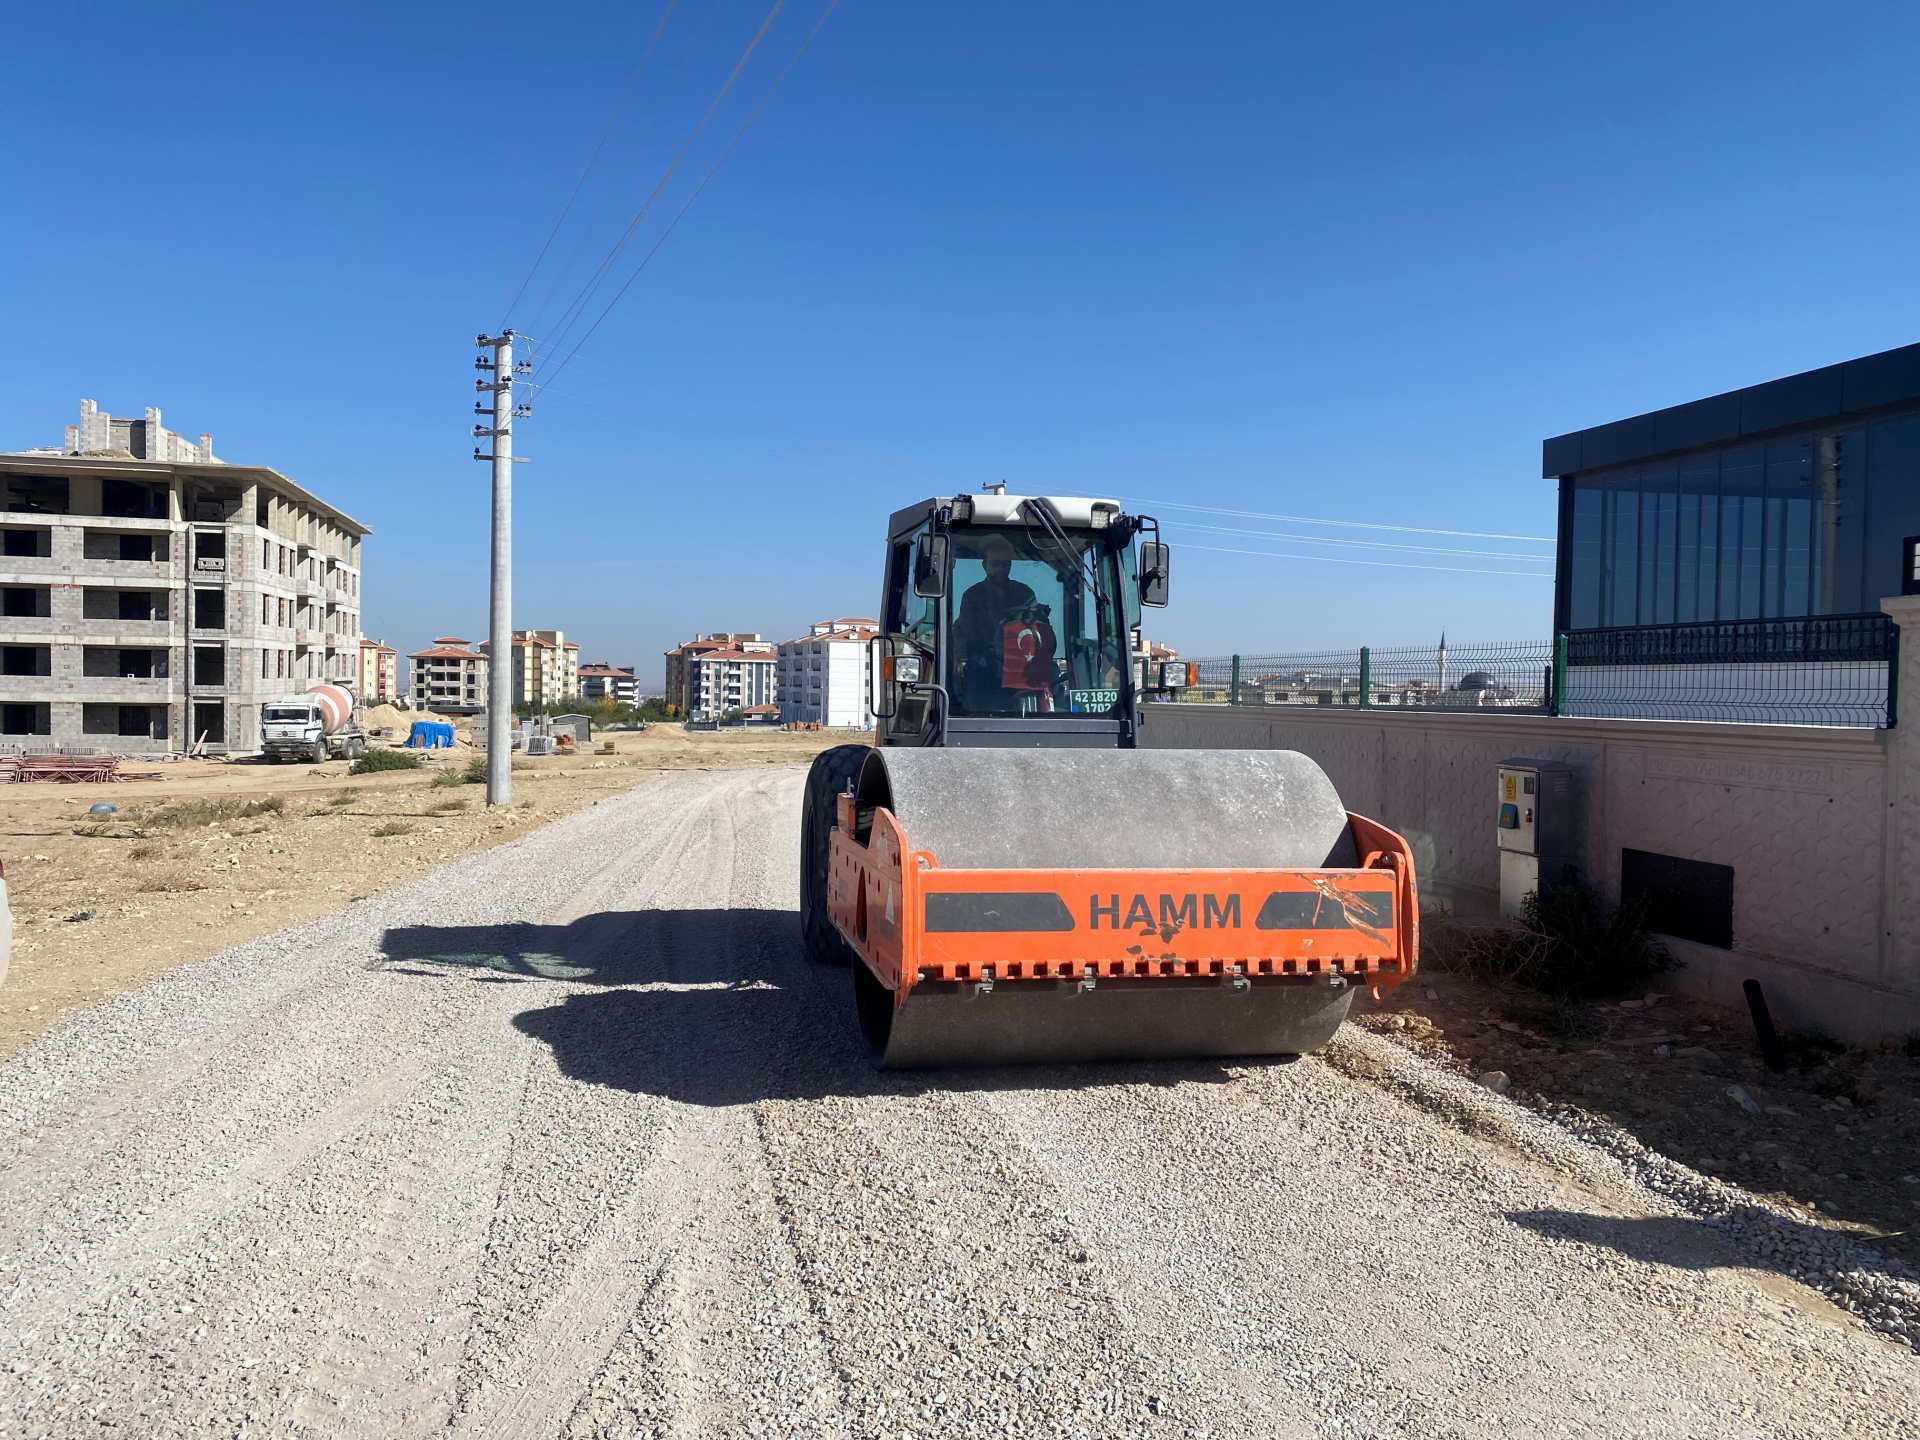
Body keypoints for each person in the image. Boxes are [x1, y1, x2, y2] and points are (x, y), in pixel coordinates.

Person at [953, 534, 1038, 712]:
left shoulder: (1024, 594)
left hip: (1020, 666)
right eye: (996, 564)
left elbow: (1035, 629)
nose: (1001, 569)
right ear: (985, 565)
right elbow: (967, 633)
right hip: (983, 667)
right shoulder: (972, 596)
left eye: (1006, 564)